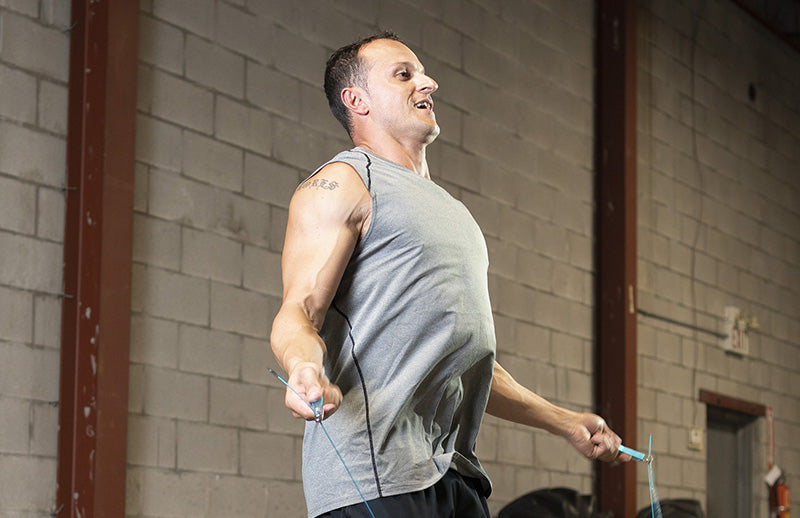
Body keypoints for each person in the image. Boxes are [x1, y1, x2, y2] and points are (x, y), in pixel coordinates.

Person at [270, 32, 627, 518]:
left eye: (422, 72)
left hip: (453, 473)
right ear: (357, 100)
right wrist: (303, 369)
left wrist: (562, 422)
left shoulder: (453, 213)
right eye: (404, 74)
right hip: (375, 476)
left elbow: (466, 357)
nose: (428, 82)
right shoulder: (342, 184)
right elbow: (299, 311)